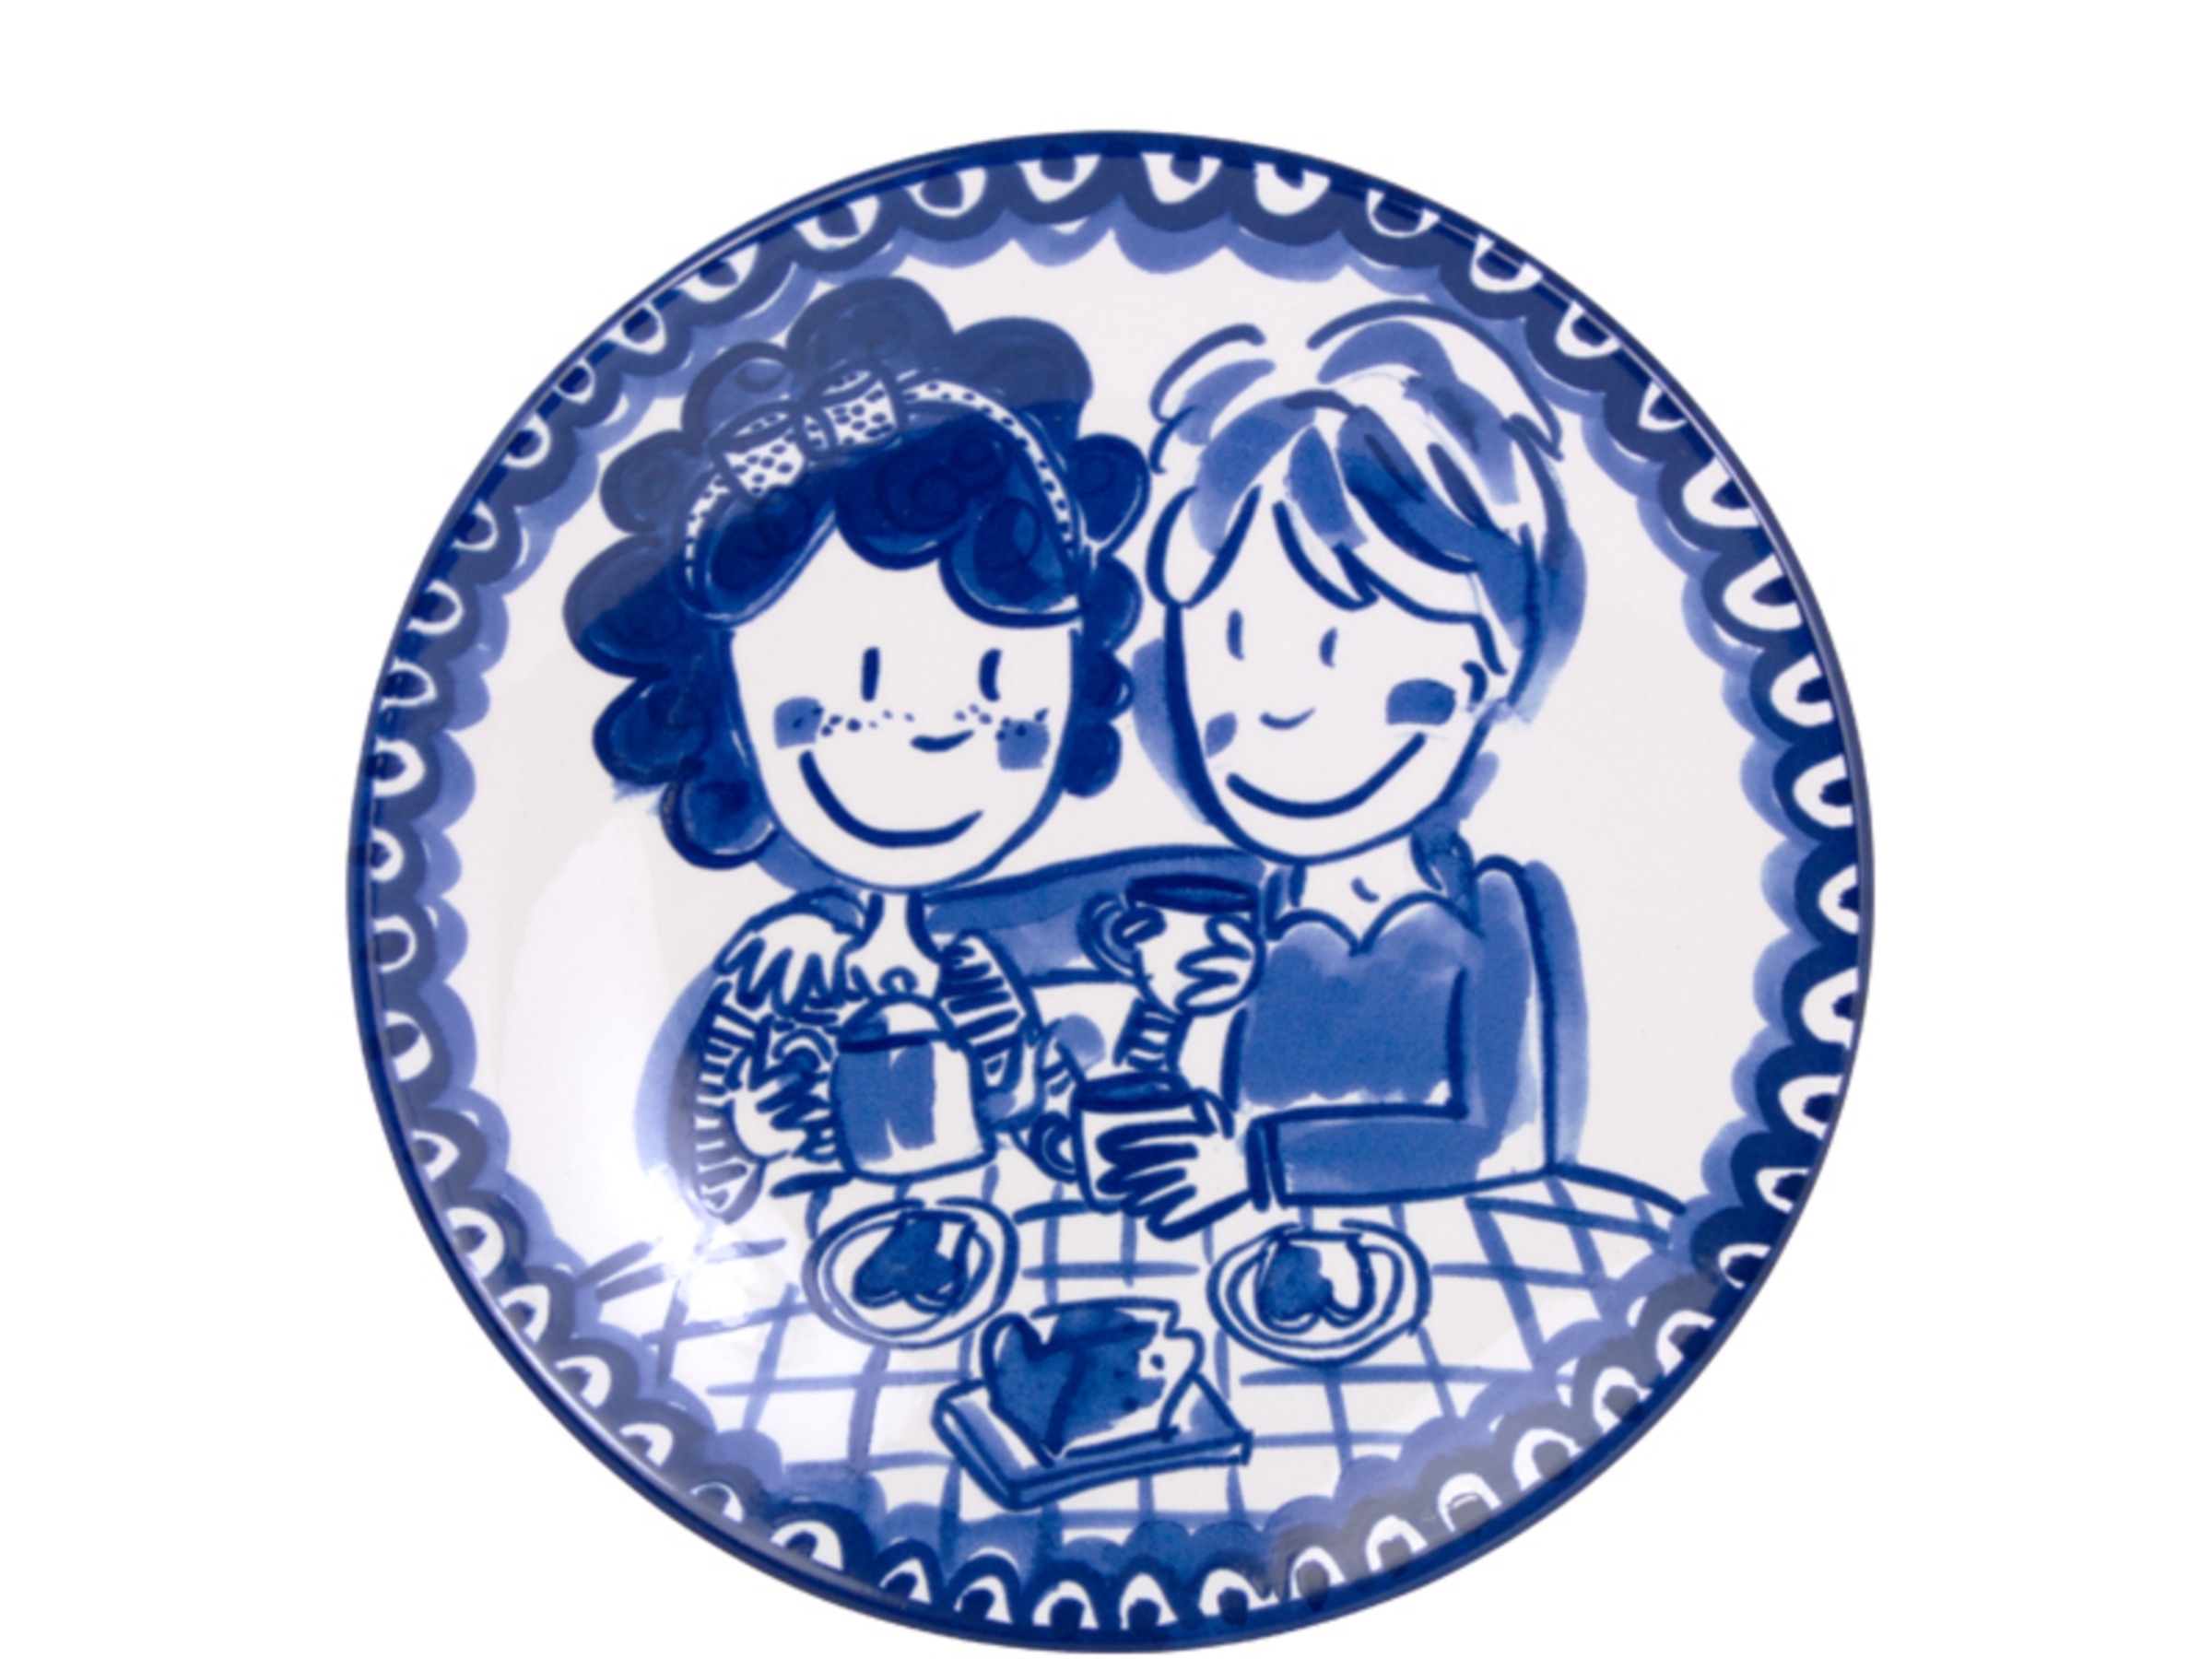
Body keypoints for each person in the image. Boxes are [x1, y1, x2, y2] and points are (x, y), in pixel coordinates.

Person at [566, 279, 1146, 1216]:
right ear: (725, 722)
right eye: (852, 692)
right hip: (810, 1260)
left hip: (978, 1242)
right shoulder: (776, 975)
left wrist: (1067, 1083)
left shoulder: (973, 971)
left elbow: (1017, 1105)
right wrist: (750, 1131)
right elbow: (698, 1169)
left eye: (997, 691)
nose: (928, 736)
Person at [1090, 302, 1592, 1237]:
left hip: (1471, 1268)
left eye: (1340, 646)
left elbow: (1512, 1140)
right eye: (1231, 647)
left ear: (1486, 669)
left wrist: (1263, 1167)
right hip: (1262, 1283)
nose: (1278, 707)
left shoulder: (1497, 907)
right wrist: (1167, 1021)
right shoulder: (1259, 916)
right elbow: (1191, 1108)